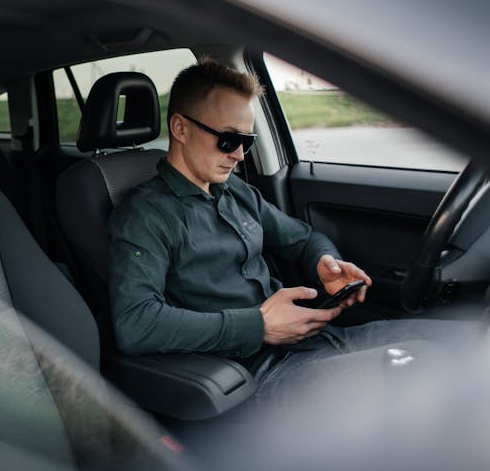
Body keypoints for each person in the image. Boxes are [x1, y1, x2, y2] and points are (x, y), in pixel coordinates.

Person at [108, 58, 477, 402]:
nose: (239, 155)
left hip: (323, 341)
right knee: (434, 375)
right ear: (180, 128)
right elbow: (136, 323)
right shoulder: (146, 215)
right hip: (263, 375)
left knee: (474, 343)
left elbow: (302, 239)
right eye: (228, 140)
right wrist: (257, 326)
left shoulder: (235, 191)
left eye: (247, 142)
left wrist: (325, 264)